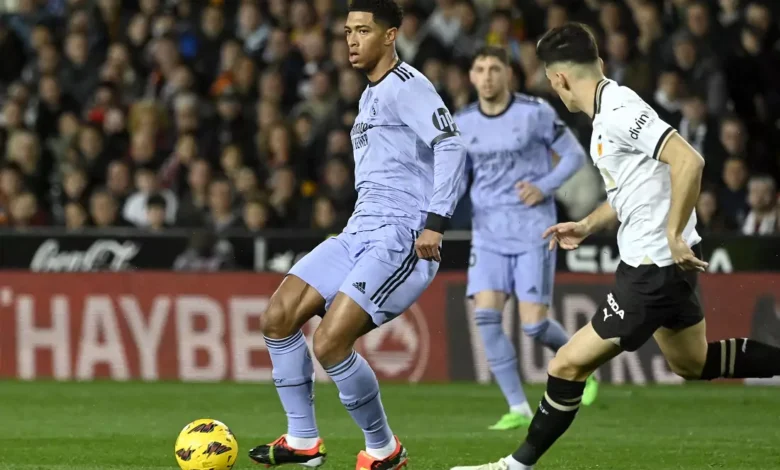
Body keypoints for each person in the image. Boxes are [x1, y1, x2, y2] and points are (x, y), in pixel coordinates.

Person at [451, 22, 780, 470]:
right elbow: (633, 191)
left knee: (566, 364)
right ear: (599, 64)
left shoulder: (620, 111)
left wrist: (672, 232)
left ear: (558, 80)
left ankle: (514, 465)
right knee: (693, 362)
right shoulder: (608, 113)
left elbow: (689, 160)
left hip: (653, 266)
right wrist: (588, 223)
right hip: (658, 263)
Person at [248, 1, 466, 469]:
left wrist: (435, 221)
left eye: (363, 30)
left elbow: (450, 144)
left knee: (329, 342)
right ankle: (303, 442)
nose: (351, 40)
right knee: (278, 316)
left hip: (402, 237)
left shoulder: (408, 86)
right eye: (348, 31)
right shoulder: (369, 96)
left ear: (390, 36)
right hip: (358, 231)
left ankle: (385, 450)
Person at [454, 45, 594, 432]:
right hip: (487, 234)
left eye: (494, 68)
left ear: (508, 75)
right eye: (479, 68)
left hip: (533, 228)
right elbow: (454, 177)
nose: (486, 76)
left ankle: (584, 366)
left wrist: (544, 186)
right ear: (471, 77)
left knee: (533, 325)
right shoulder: (461, 123)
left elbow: (574, 156)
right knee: (485, 318)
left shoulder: (535, 113)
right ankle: (517, 406)